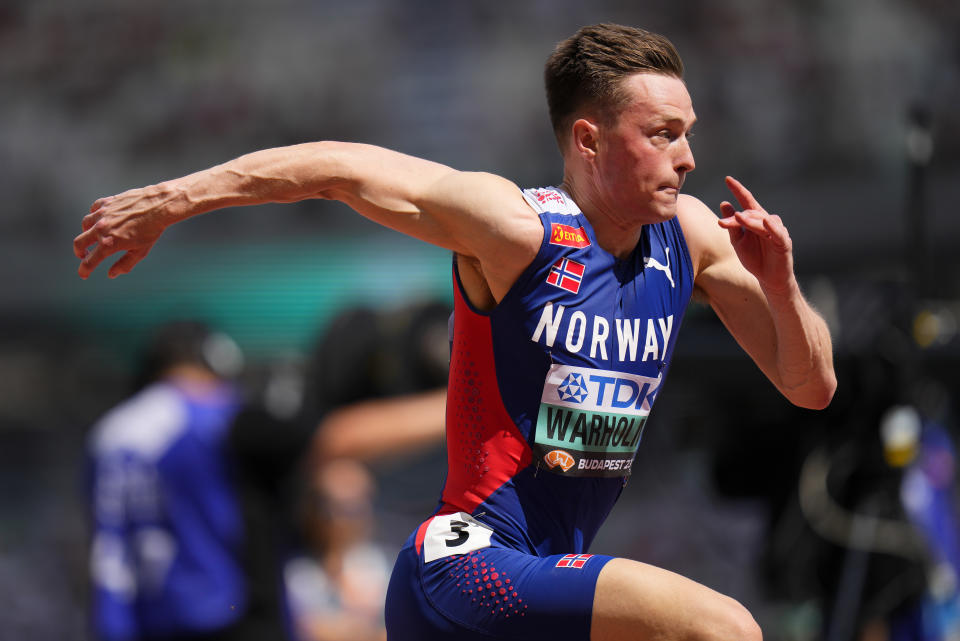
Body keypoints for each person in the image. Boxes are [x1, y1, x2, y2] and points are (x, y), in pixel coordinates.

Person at [75, 22, 836, 641]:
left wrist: (781, 284)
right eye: (663, 133)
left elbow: (810, 385)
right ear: (589, 141)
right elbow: (339, 167)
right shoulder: (517, 229)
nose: (689, 157)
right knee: (725, 628)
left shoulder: (692, 239)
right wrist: (172, 198)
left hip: (543, 576)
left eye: (688, 132)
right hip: (468, 565)